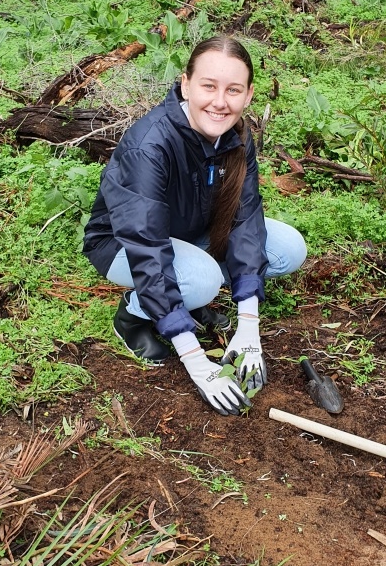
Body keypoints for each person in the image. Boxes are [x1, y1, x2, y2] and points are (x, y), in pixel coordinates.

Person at [83, 35, 307, 415]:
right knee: (202, 281)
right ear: (185, 83)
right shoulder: (151, 145)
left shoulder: (235, 135)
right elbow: (147, 246)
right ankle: (134, 315)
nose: (220, 102)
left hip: (190, 231)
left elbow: (246, 218)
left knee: (288, 248)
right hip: (124, 244)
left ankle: (190, 293)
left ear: (249, 94)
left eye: (233, 90)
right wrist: (195, 360)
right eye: (208, 86)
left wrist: (249, 326)